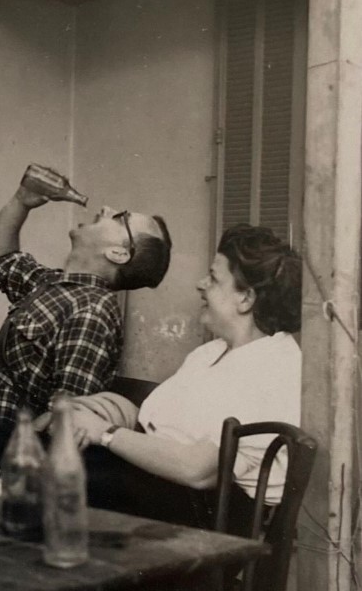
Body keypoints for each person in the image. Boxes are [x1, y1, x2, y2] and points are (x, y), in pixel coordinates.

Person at [70, 224, 302, 536]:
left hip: (212, 516)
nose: (200, 284)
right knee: (22, 445)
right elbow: (166, 429)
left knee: (54, 473)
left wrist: (107, 434)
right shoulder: (211, 352)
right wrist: (115, 411)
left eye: (214, 278)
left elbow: (199, 470)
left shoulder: (272, 364)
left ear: (245, 298)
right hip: (173, 493)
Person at [0, 177, 172, 484]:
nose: (106, 208)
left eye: (120, 218)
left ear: (119, 254)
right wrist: (21, 201)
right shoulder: (53, 285)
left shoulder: (92, 311)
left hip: (9, 458)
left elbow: (64, 422)